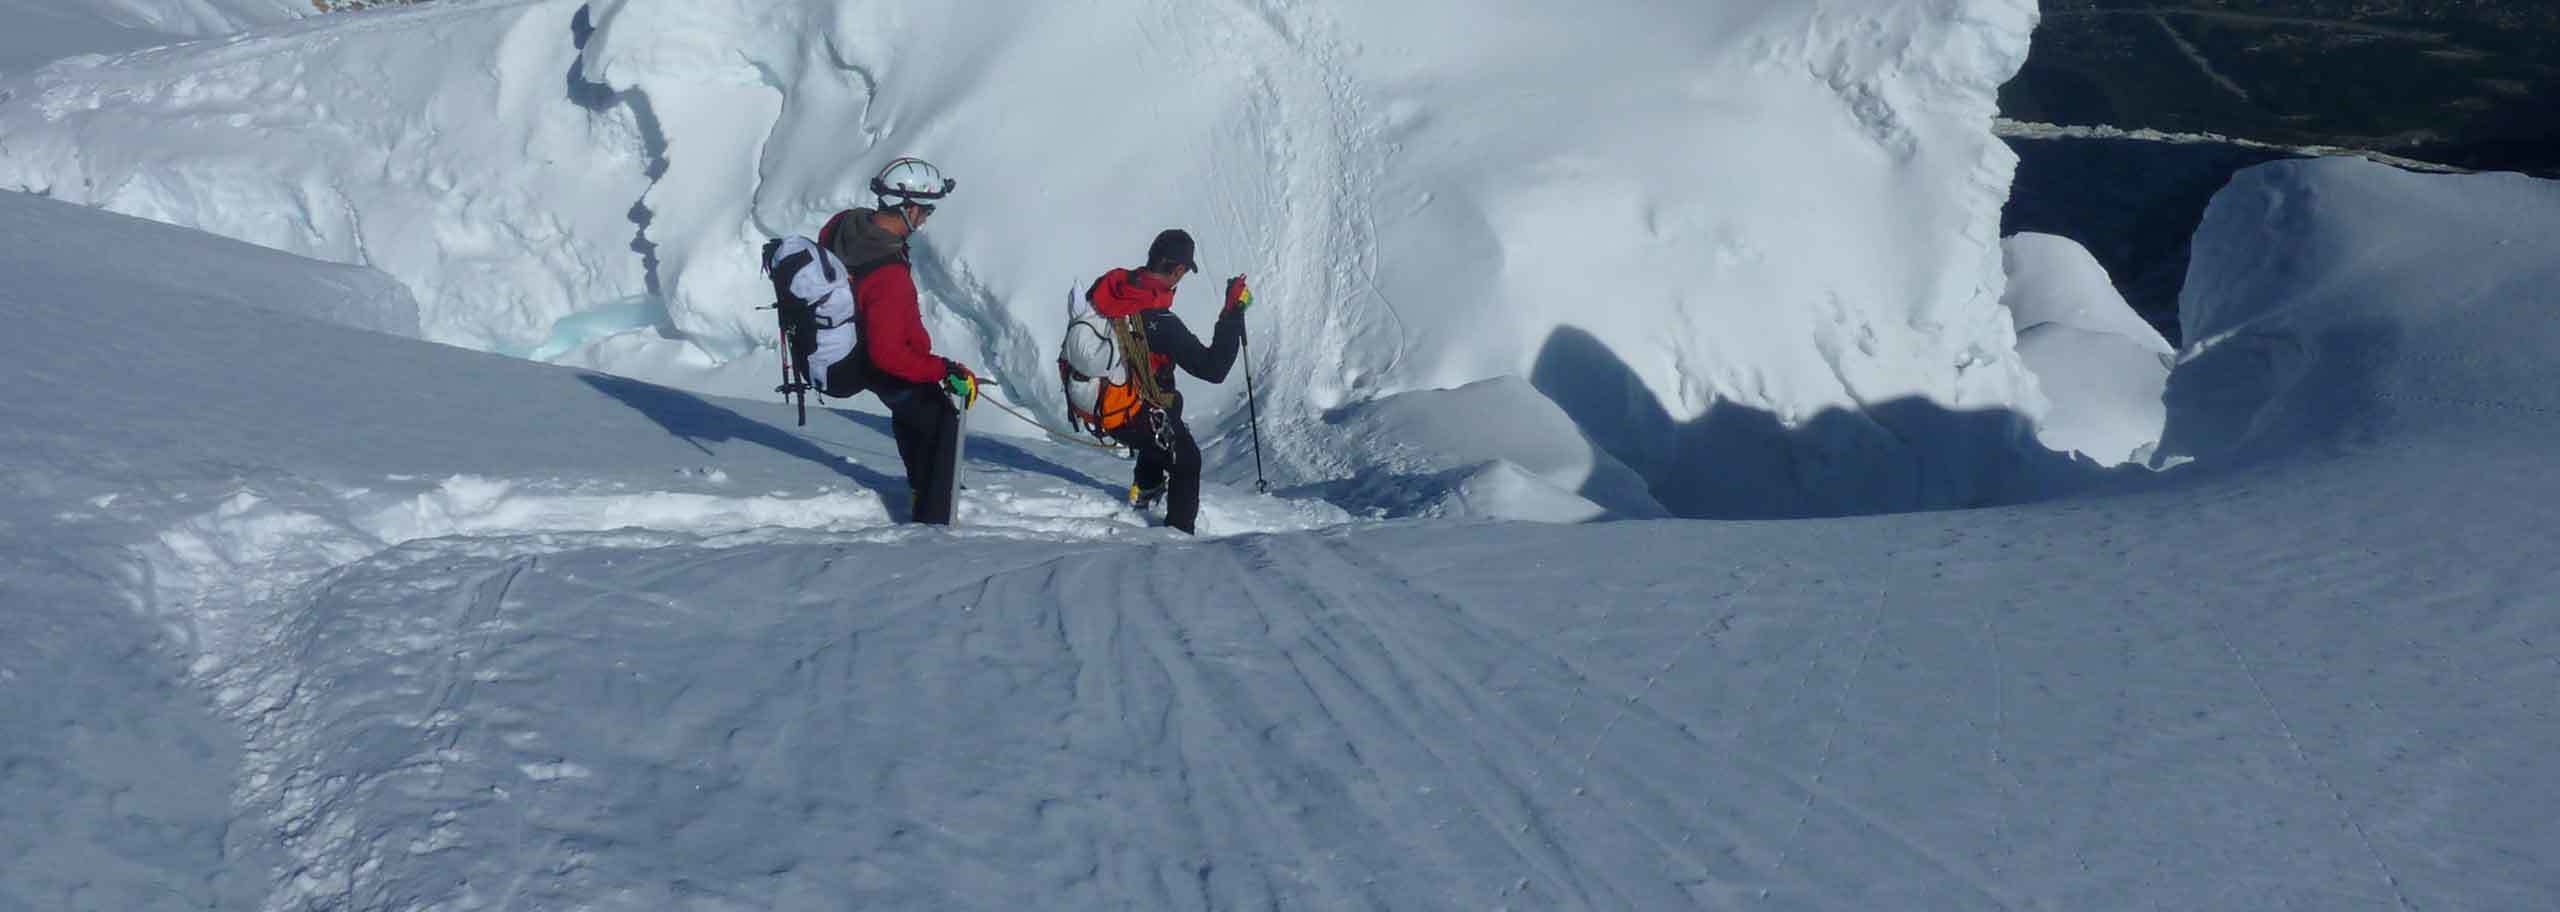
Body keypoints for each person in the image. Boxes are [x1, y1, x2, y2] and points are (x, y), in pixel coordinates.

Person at [816, 157, 980, 524]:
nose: (926, 218)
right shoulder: (888, 275)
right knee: (940, 423)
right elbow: (889, 354)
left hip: (855, 350)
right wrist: (944, 368)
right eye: (925, 209)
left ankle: (921, 490)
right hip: (878, 362)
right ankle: (934, 521)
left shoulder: (845, 225)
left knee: (916, 414)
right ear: (906, 208)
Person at [1085, 229, 1253, 534]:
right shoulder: (1160, 323)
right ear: (1177, 270)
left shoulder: (1115, 289)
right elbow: (1213, 369)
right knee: (1187, 460)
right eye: (1184, 272)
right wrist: (1231, 314)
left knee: (1167, 408)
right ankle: (1177, 541)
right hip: (1127, 409)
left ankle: (1146, 488)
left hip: (1102, 395)